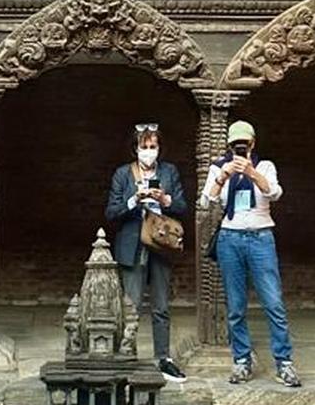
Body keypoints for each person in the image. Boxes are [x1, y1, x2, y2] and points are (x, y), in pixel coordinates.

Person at [200, 119, 300, 388]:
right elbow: (205, 201)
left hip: (260, 238)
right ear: (229, 146)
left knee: (273, 302)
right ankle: (241, 360)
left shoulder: (265, 166)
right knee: (235, 305)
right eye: (235, 145)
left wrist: (252, 172)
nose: (239, 149)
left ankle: (284, 362)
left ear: (253, 143)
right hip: (230, 239)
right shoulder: (218, 167)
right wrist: (224, 176)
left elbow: (275, 192)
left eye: (244, 144)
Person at [105, 124, 188, 382]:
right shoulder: (123, 174)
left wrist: (166, 201)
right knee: (131, 305)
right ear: (136, 148)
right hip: (133, 243)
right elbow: (111, 212)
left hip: (161, 244)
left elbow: (183, 206)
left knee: (161, 305)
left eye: (153, 147)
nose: (149, 152)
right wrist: (134, 200)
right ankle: (126, 356)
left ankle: (163, 358)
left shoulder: (169, 171)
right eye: (145, 147)